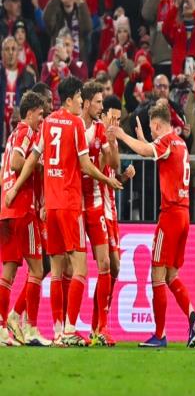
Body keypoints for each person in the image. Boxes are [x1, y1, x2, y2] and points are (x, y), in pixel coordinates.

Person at [4, 76, 122, 346]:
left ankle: (58, 331)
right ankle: (69, 329)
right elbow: (85, 165)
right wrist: (107, 179)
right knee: (80, 269)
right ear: (70, 99)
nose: (81, 101)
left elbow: (33, 158)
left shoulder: (47, 123)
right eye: (80, 97)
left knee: (56, 271)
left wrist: (15, 189)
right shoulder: (76, 123)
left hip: (51, 206)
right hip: (70, 204)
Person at [110, 105, 195, 348]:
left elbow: (148, 150)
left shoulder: (167, 141)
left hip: (170, 215)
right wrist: (143, 140)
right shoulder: (180, 143)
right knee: (172, 275)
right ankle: (193, 317)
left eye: (152, 129)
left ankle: (160, 335)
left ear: (159, 125)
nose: (152, 133)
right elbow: (151, 151)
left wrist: (122, 135)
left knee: (156, 275)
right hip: (184, 215)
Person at [0, 91, 51, 347]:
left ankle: (2, 329)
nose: (42, 120)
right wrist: (38, 165)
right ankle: (30, 328)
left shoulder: (11, 136)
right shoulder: (27, 131)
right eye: (40, 115)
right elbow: (17, 163)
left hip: (7, 208)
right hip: (23, 208)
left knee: (8, 273)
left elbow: (4, 170)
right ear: (29, 113)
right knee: (38, 270)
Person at [79, 81, 120, 346]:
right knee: (65, 268)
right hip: (73, 203)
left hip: (96, 203)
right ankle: (64, 327)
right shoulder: (73, 127)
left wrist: (112, 143)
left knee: (107, 265)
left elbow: (112, 164)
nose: (101, 107)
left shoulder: (100, 130)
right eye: (98, 102)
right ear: (86, 103)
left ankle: (100, 327)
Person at [92, 95, 135, 340]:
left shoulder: (112, 138)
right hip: (97, 207)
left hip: (112, 210)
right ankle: (101, 326)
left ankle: (97, 325)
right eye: (113, 118)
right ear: (104, 115)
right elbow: (98, 169)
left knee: (114, 269)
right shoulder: (98, 135)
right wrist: (108, 142)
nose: (116, 123)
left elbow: (113, 173)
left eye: (119, 119)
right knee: (108, 265)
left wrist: (124, 177)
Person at [0, 36, 35, 149]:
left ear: (18, 52)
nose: (10, 52)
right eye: (7, 49)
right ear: (1, 52)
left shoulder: (28, 77)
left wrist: (22, 115)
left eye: (13, 49)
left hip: (19, 133)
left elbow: (33, 107)